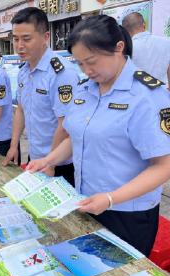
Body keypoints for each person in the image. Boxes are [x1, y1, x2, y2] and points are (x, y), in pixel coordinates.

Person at [27, 15, 170, 257]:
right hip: (88, 200)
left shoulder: (147, 96)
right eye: (80, 64)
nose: (87, 70)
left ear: (119, 47)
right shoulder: (86, 89)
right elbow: (77, 137)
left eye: (91, 61)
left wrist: (111, 199)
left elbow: (164, 166)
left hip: (127, 212)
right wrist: (49, 160)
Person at [3, 7, 79, 186]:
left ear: (45, 37)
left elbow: (65, 125)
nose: (19, 45)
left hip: (60, 163)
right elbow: (20, 110)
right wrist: (14, 146)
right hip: (36, 157)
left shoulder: (61, 73)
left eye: (26, 39)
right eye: (15, 39)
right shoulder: (23, 71)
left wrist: (50, 162)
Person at [122, 12, 170, 90]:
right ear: (144, 25)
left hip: (138, 95)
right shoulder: (167, 42)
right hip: (163, 93)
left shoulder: (126, 49)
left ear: (125, 31)